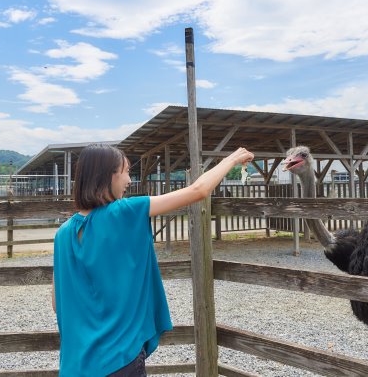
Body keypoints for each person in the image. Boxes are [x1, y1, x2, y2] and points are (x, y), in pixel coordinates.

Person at [52, 143, 254, 377]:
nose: (129, 180)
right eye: (126, 171)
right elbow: (197, 191)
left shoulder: (62, 234)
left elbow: (58, 303)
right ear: (109, 175)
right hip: (119, 360)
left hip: (74, 366)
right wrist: (232, 159)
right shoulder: (125, 211)